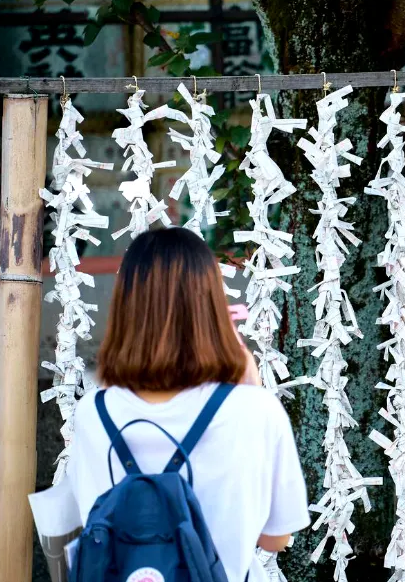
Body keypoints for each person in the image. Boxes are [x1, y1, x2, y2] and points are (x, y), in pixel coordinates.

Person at [66, 227, 309, 582]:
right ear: (209, 307)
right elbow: (275, 538)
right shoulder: (256, 411)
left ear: (126, 310)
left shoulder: (93, 411)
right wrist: (252, 389)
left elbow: (89, 520)